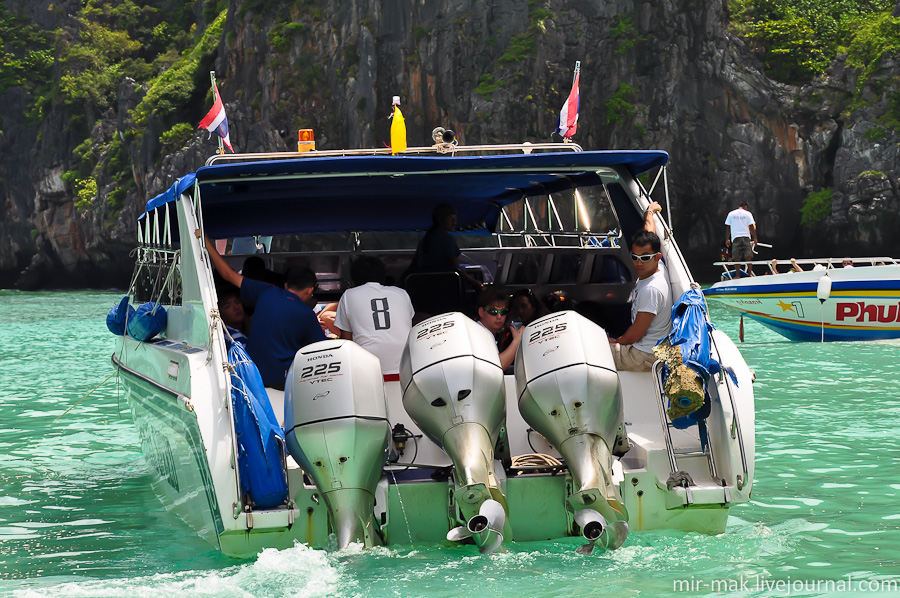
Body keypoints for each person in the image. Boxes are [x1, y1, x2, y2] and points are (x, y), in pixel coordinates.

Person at [205, 236, 326, 389]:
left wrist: (206, 242)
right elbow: (323, 351)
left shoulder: (266, 292)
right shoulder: (306, 314)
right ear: (310, 290)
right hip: (282, 382)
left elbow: (227, 274)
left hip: (252, 377)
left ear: (287, 284)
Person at [608, 202, 673, 372]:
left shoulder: (651, 289)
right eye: (634, 257)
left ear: (657, 257)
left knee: (594, 351)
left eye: (644, 258)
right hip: (649, 348)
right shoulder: (659, 267)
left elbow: (636, 332)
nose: (638, 263)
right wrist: (649, 213)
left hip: (645, 355)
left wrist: (617, 341)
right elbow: (649, 232)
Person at [334, 256, 414, 377]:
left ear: (353, 281)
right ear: (383, 277)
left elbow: (346, 342)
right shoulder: (401, 293)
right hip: (406, 366)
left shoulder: (348, 295)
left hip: (369, 370)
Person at [410, 204, 483, 290]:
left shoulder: (425, 240)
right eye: (451, 218)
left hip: (425, 287)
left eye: (455, 218)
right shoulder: (447, 239)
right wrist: (475, 283)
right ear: (441, 220)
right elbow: (455, 267)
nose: (454, 222)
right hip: (444, 286)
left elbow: (413, 266)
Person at [475, 288, 522, 371]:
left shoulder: (485, 331)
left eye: (503, 312)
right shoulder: (479, 332)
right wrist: (517, 340)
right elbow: (497, 366)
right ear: (481, 312)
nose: (499, 317)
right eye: (493, 312)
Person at [724, 201, 758, 276]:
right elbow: (751, 226)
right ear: (746, 207)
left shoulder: (731, 213)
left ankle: (738, 275)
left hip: (736, 237)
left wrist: (727, 239)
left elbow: (728, 227)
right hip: (746, 237)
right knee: (748, 256)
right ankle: (750, 274)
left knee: (737, 257)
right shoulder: (748, 214)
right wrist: (755, 237)